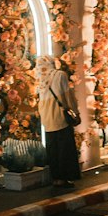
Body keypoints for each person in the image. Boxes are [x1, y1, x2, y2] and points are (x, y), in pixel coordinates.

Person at [37, 55, 81, 187]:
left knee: (53, 150)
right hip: (60, 117)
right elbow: (68, 96)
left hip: (47, 119)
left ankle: (56, 178)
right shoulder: (60, 75)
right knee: (65, 149)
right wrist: (75, 112)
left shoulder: (41, 80)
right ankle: (66, 178)